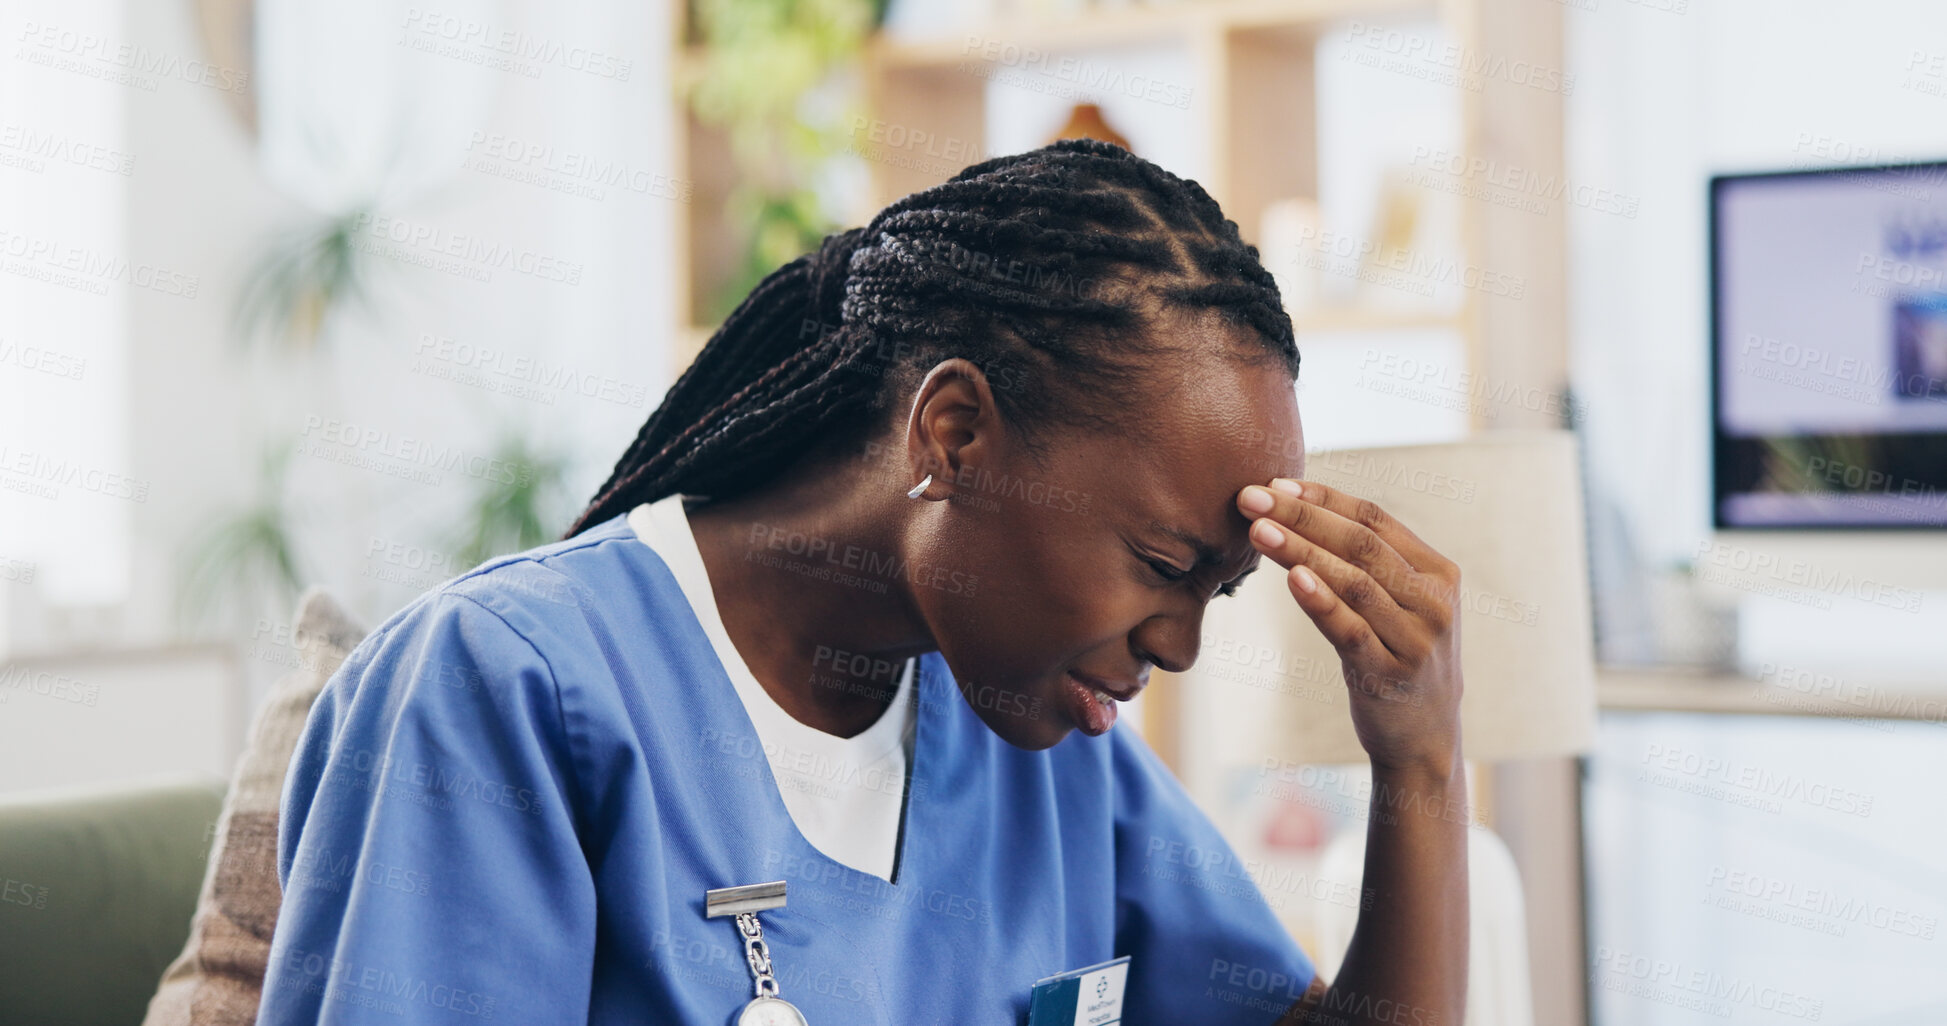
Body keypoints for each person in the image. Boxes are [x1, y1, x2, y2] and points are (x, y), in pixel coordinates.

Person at [258, 138, 1468, 1025]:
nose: (1181, 646)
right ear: (953, 434)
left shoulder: (1045, 743)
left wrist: (1420, 758)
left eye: (1219, 591)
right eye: (1162, 567)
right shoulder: (502, 688)